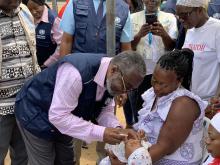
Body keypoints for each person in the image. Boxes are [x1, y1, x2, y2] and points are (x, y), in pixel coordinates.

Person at [14, 51, 146, 165]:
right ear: (114, 70)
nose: (125, 92)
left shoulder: (112, 78)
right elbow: (58, 116)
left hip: (65, 119)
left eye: (131, 89)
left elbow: (104, 110)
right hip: (36, 115)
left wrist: (117, 130)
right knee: (44, 161)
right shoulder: (76, 73)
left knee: (66, 161)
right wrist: (101, 132)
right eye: (126, 86)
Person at [102, 48, 208, 164]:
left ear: (179, 81)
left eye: (163, 84)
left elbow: (164, 148)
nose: (156, 87)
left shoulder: (183, 105)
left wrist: (125, 161)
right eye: (154, 80)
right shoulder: (155, 94)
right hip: (146, 155)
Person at [123, 0, 178, 127]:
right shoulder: (131, 18)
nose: (151, 1)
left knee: (160, 112)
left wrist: (164, 34)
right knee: (138, 111)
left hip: (162, 75)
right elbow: (127, 46)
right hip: (138, 74)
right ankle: (139, 139)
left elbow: (172, 46)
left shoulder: (169, 18)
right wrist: (138, 35)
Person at [0, 0, 39, 164]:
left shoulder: (24, 11)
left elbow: (32, 51)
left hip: (25, 103)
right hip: (1, 106)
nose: (16, 2)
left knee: (23, 156)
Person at [176, 0, 220, 116]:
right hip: (191, 99)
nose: (181, 19)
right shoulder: (190, 30)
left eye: (184, 15)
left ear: (199, 10)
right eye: (178, 16)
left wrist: (216, 100)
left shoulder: (217, 29)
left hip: (210, 103)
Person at [22, 0, 63, 69]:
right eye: (30, 9)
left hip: (48, 67)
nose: (33, 12)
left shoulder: (54, 20)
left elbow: (62, 45)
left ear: (42, 4)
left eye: (36, 8)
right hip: (33, 65)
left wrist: (48, 63)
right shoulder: (26, 18)